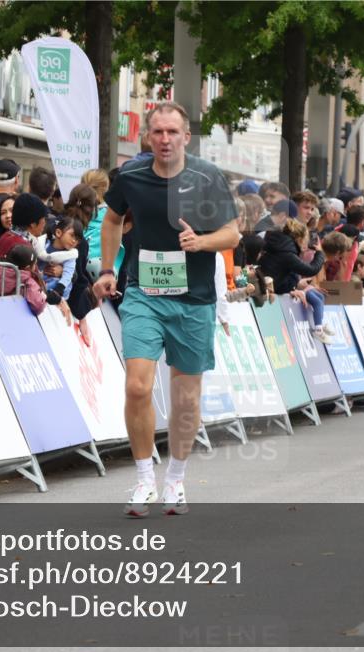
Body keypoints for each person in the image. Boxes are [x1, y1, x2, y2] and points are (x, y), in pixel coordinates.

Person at [93, 101, 240, 517]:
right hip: (144, 292)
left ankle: (175, 479)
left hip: (194, 299)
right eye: (157, 132)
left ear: (186, 137)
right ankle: (144, 480)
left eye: (172, 132)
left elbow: (232, 233)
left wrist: (202, 243)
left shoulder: (207, 177)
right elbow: (111, 220)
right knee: (137, 386)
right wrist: (108, 268)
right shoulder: (131, 176)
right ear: (148, 137)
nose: (164, 139)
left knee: (186, 398)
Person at [259, 219, 329, 342]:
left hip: (269, 287)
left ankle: (320, 325)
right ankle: (319, 328)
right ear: (299, 238)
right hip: (266, 292)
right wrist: (319, 253)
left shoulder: (279, 246)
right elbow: (311, 269)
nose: (307, 242)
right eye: (306, 239)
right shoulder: (287, 253)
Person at [0, 243, 47, 314]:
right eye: (34, 264)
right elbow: (38, 306)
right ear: (27, 268)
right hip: (15, 316)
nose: (36, 267)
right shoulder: (28, 281)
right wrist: (44, 296)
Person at [39, 216, 83, 303]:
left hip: (54, 289)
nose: (74, 241)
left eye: (77, 239)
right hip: (38, 279)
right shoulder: (43, 243)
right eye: (72, 235)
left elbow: (68, 275)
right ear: (58, 232)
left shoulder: (70, 255)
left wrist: (58, 290)